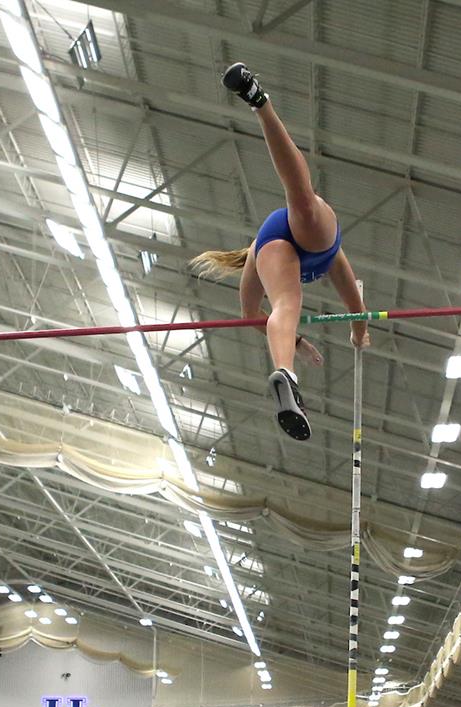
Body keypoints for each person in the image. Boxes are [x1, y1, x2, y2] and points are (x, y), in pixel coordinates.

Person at [192, 62, 369, 441]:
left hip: (268, 241)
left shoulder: (256, 258)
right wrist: (358, 333)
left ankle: (286, 371)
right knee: (302, 200)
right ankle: (258, 100)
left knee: (287, 305)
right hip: (295, 237)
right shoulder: (334, 259)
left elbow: (249, 316)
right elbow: (356, 304)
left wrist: (297, 343)